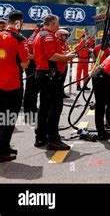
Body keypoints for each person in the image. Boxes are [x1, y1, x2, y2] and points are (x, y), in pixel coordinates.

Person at [34, 15, 75, 150]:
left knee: (45, 107)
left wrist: (64, 54)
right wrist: (67, 57)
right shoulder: (48, 36)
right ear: (51, 23)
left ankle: (41, 136)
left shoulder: (42, 34)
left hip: (45, 74)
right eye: (57, 24)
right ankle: (53, 138)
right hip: (49, 75)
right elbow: (51, 56)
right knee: (55, 106)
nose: (58, 26)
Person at [0, 10, 29, 162]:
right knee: (10, 117)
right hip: (12, 84)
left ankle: (3, 145)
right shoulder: (19, 38)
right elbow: (25, 63)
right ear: (19, 22)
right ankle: (3, 150)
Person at [23, 22, 43, 114]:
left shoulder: (38, 36)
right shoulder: (34, 37)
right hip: (32, 66)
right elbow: (28, 54)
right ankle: (28, 109)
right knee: (30, 89)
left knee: (35, 89)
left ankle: (33, 107)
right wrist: (41, 56)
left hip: (36, 65)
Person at [56, 29, 71, 99]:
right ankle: (58, 94)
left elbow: (68, 50)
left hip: (65, 63)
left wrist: (67, 52)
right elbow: (62, 52)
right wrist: (67, 53)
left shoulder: (65, 43)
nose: (65, 37)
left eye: (66, 36)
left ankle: (62, 93)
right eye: (64, 36)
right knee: (58, 80)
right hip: (59, 64)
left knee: (63, 80)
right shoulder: (57, 42)